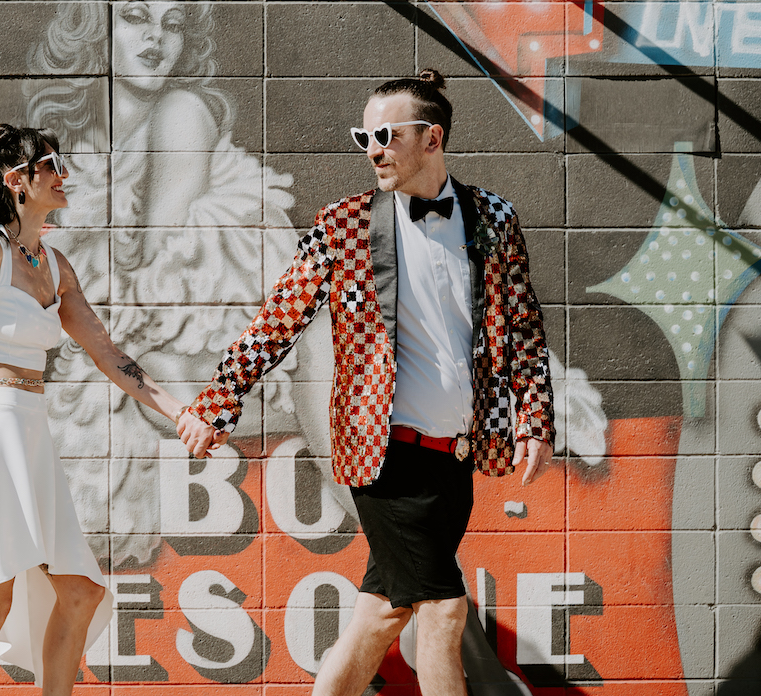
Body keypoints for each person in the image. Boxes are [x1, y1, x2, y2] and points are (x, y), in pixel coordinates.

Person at [178, 70, 556, 695]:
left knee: (381, 612)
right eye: (365, 136)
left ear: (431, 138)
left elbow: (524, 327)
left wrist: (534, 420)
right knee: (443, 610)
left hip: (453, 456)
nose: (373, 149)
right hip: (383, 454)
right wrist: (219, 400)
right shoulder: (344, 225)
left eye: (386, 134)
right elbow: (279, 318)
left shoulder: (491, 217)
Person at [0, 124, 188, 696]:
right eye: (51, 164)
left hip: (32, 437)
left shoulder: (54, 263)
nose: (62, 173)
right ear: (16, 179)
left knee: (80, 591)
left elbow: (108, 354)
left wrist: (181, 412)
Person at [23, 0, 300, 567]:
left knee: (148, 386)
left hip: (218, 334)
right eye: (136, 17)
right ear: (99, 27)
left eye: (172, 26)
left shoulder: (181, 114)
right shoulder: (76, 142)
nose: (156, 39)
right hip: (131, 342)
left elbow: (151, 264)